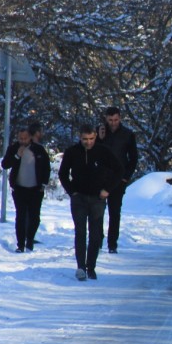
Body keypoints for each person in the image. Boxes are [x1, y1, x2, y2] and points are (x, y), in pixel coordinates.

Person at [58, 124, 122, 281]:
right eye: (85, 139)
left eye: (91, 139)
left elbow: (119, 170)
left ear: (95, 137)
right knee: (80, 232)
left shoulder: (103, 151)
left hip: (97, 198)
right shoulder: (72, 152)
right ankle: (81, 267)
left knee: (95, 234)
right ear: (80, 138)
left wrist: (107, 189)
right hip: (79, 198)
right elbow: (63, 173)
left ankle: (91, 266)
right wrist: (71, 191)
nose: (88, 142)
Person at [0, 122, 51, 252]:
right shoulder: (13, 148)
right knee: (20, 216)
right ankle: (20, 244)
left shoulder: (38, 150)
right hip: (19, 189)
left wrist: (44, 183)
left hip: (36, 189)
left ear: (30, 138)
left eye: (25, 138)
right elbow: (5, 164)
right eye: (20, 138)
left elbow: (46, 167)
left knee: (35, 217)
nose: (23, 141)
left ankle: (30, 239)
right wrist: (17, 156)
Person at [98, 106, 138, 253]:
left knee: (114, 214)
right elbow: (94, 152)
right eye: (110, 120)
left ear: (120, 118)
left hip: (118, 180)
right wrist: (100, 140)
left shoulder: (127, 134)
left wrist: (125, 178)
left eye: (115, 120)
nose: (113, 123)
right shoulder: (99, 132)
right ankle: (97, 242)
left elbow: (133, 159)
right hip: (100, 179)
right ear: (106, 119)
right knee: (97, 213)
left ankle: (112, 244)